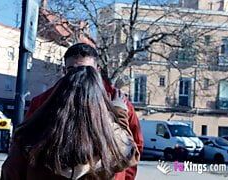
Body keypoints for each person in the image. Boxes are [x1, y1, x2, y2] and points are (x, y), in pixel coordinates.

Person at [25, 43, 144, 180]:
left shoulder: (119, 102)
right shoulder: (43, 101)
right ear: (64, 71)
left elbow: (134, 147)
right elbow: (25, 147)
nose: (78, 75)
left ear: (97, 70)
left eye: (85, 69)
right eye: (72, 70)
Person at [1, 66, 139, 179]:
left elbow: (10, 174)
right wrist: (119, 114)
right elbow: (130, 152)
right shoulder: (112, 144)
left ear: (58, 97)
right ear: (100, 103)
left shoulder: (31, 137)